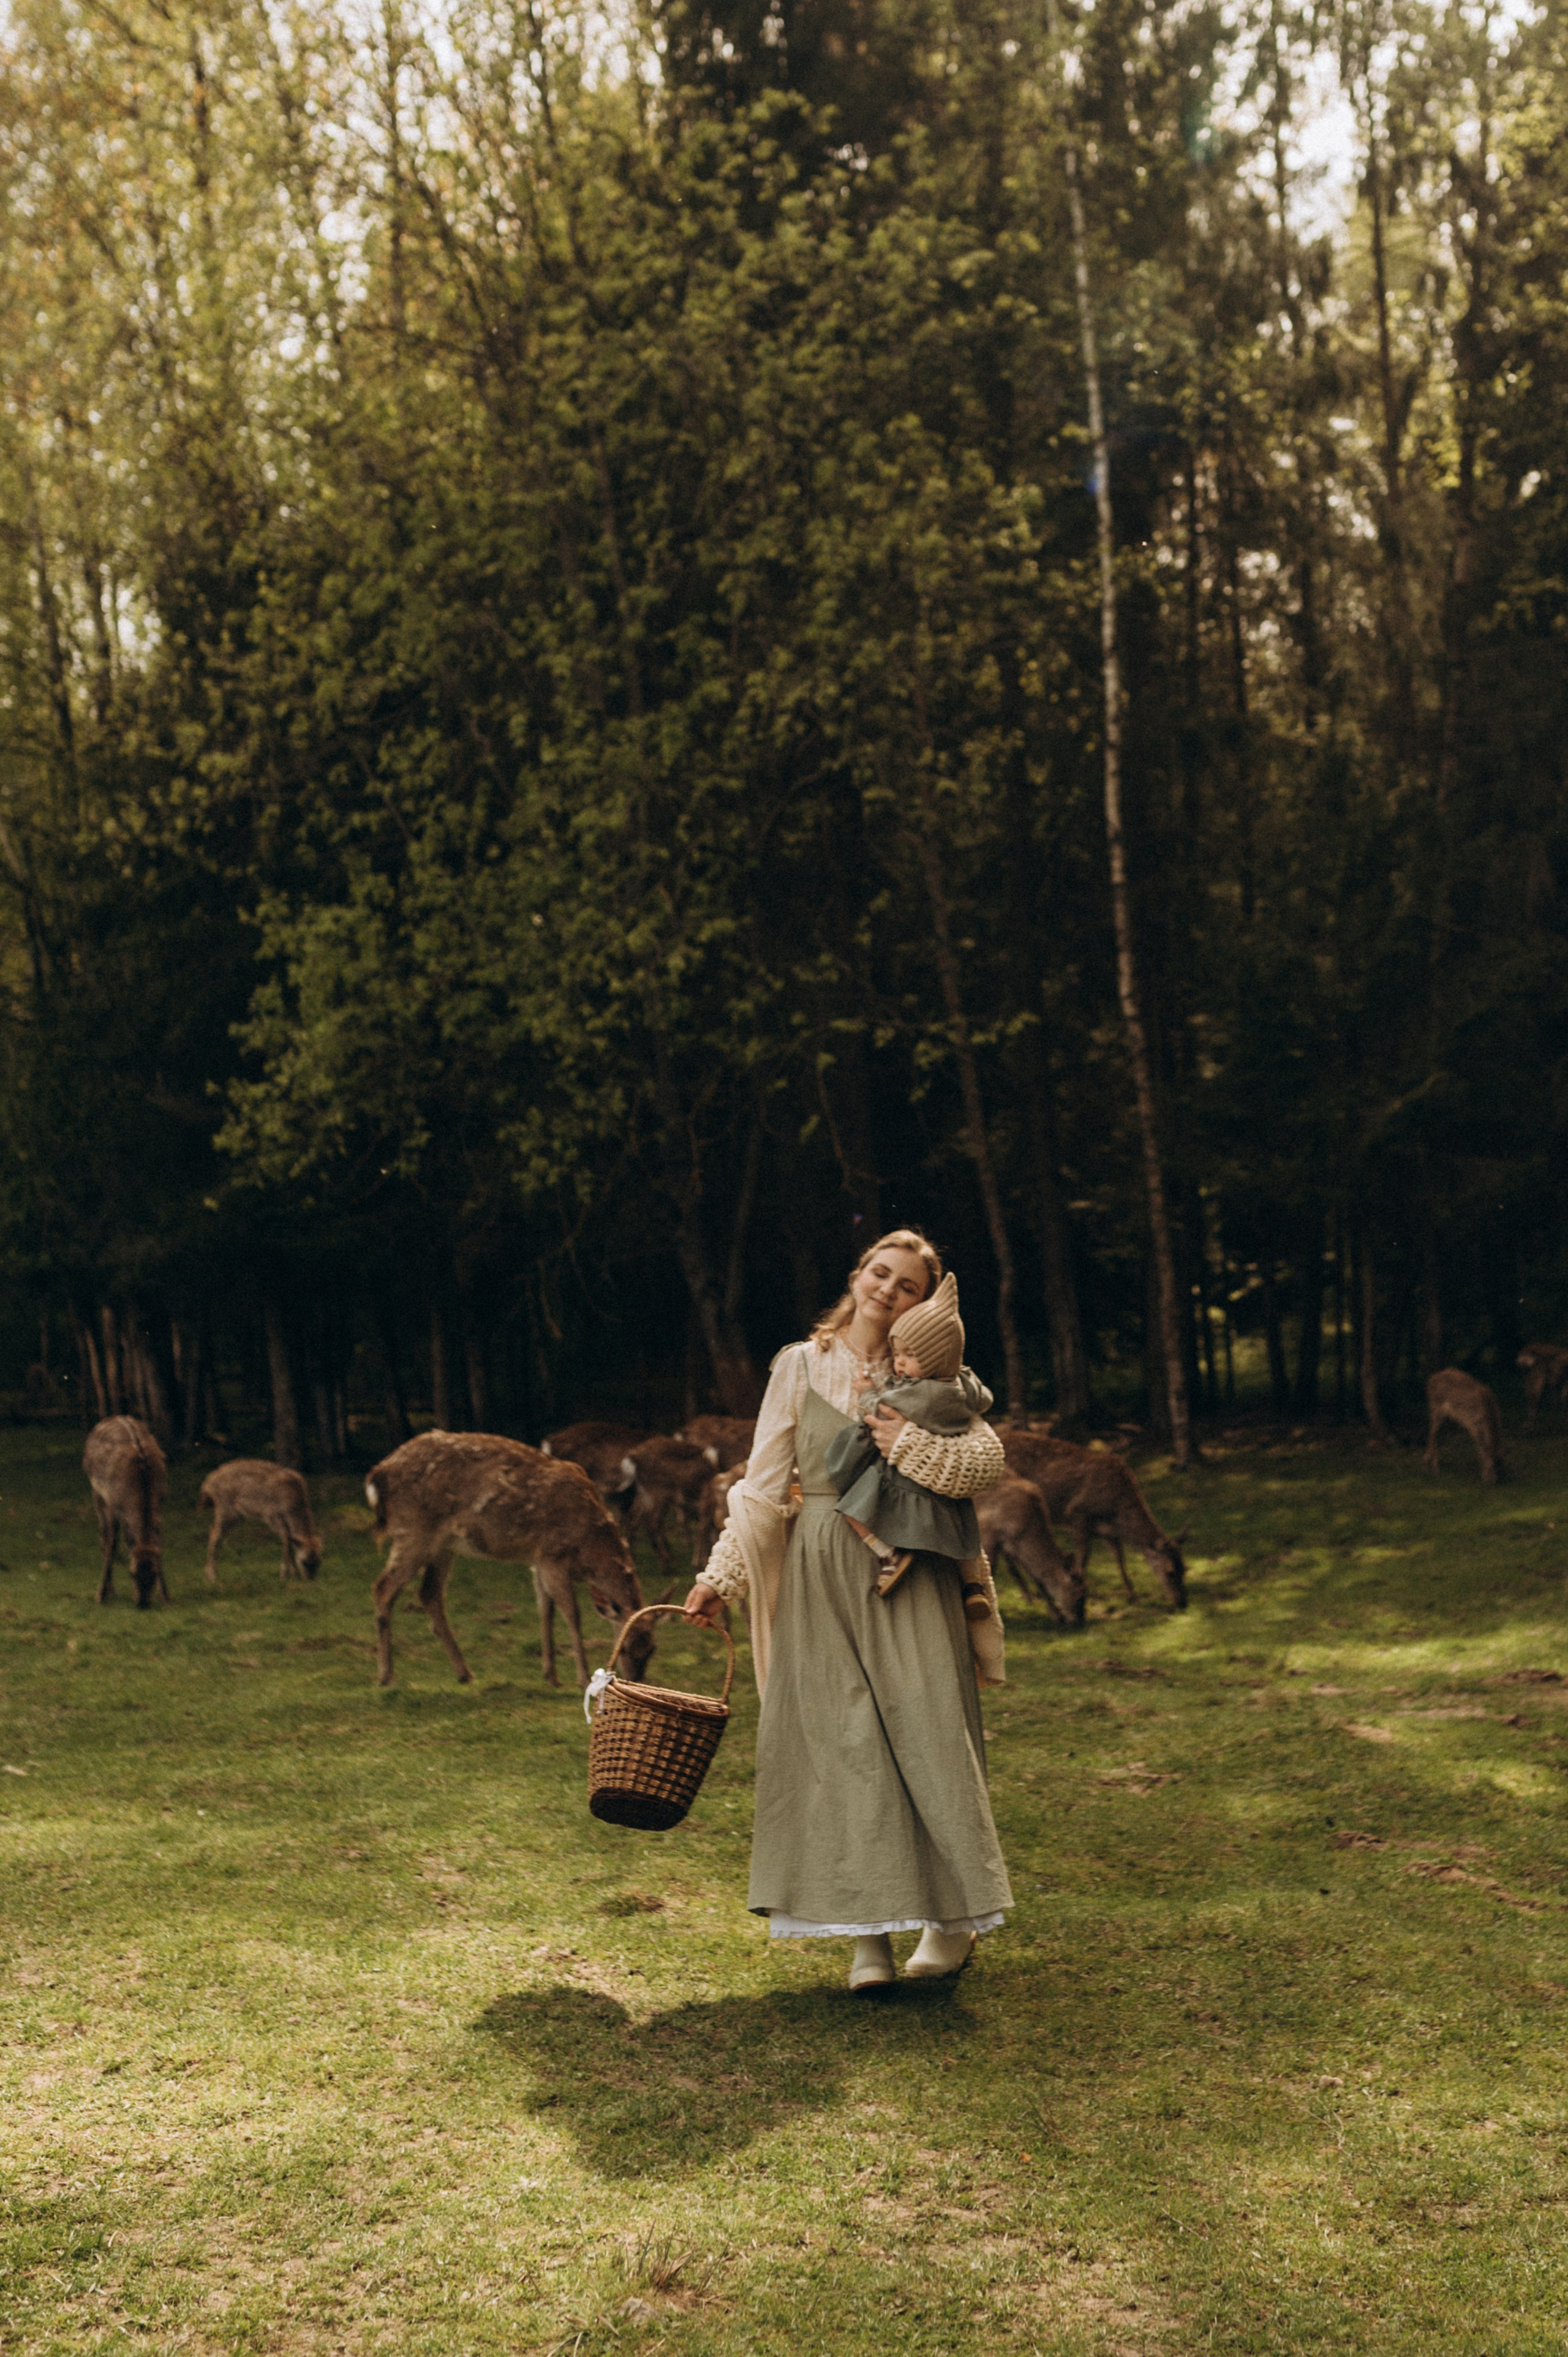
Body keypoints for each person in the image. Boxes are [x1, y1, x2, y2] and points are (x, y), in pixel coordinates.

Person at [682, 1229, 1012, 1994]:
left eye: (907, 1286)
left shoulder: (940, 1374)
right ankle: (866, 1936)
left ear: (923, 1304)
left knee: (933, 1733)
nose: (887, 1291)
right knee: (842, 1746)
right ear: (857, 1274)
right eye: (880, 1273)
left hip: (916, 1574)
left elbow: (979, 1467)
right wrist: (717, 1577)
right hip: (821, 1571)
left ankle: (952, 1922)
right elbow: (764, 1486)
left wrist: (903, 1442)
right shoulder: (801, 1365)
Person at [826, 1269, 995, 1623]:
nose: (899, 1363)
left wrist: (867, 1393)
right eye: (897, 1353)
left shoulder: (926, 1395)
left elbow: (890, 1409)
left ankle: (888, 1553)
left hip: (908, 1482)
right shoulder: (963, 1387)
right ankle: (973, 1586)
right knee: (964, 1537)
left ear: (935, 1360)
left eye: (908, 1356)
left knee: (852, 1511)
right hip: (947, 1496)